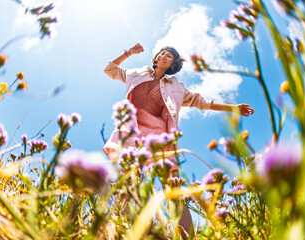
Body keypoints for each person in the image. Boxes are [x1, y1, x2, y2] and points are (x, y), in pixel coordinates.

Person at [103, 43, 254, 239]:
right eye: (162, 53)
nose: (164, 56)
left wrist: (233, 108)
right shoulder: (136, 73)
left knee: (172, 187)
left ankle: (186, 236)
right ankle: (118, 231)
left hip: (159, 135)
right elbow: (110, 70)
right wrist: (127, 53)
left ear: (173, 64)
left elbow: (203, 102)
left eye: (169, 56)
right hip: (132, 131)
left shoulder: (176, 88)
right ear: (157, 57)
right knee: (128, 183)